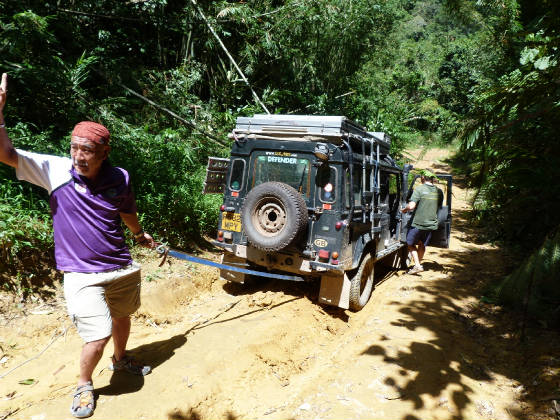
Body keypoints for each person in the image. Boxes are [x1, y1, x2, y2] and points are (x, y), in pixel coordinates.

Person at [0, 73, 154, 418]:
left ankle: (121, 359)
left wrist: (139, 234)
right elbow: (6, 153)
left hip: (120, 264)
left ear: (104, 152)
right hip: (82, 275)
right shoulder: (55, 171)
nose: (78, 155)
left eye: (87, 149)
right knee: (96, 336)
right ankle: (84, 384)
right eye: (74, 147)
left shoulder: (120, 177)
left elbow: (126, 209)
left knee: (123, 317)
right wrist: (0, 113)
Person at [401, 169, 443, 275]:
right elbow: (439, 206)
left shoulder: (419, 189)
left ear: (423, 177)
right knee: (422, 244)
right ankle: (417, 265)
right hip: (431, 224)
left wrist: (404, 210)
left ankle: (417, 265)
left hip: (419, 224)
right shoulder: (439, 191)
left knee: (409, 244)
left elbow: (411, 206)